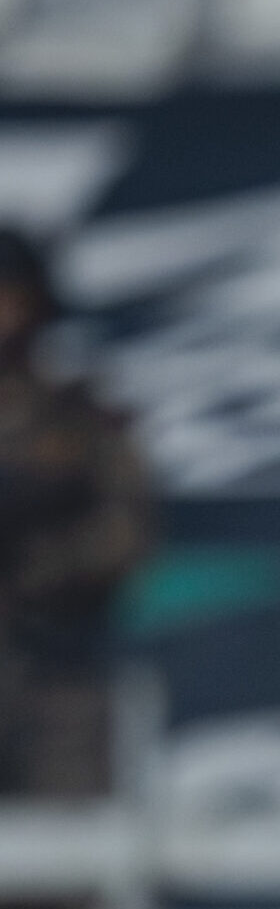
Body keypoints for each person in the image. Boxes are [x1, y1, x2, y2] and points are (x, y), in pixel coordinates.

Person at [0, 228, 151, 800]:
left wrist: (30, 573)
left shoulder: (81, 420)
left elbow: (126, 534)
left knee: (65, 856)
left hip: (53, 674)